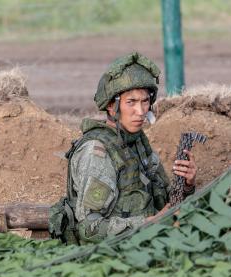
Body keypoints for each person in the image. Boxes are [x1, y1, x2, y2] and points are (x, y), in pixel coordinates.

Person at [49, 52, 198, 245]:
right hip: (107, 255)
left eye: (145, 101)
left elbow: (166, 202)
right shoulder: (98, 152)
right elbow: (90, 228)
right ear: (112, 106)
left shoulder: (137, 143)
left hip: (145, 244)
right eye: (131, 102)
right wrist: (146, 224)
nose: (141, 111)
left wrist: (186, 185)